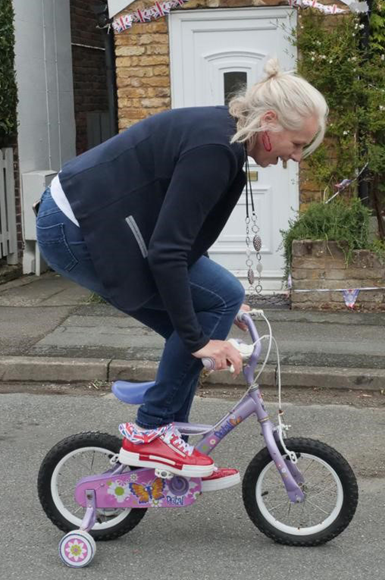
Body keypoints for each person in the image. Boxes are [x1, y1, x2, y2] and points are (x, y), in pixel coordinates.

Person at [36, 58, 328, 485]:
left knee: (215, 306)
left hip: (107, 221)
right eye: (298, 144)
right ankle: (153, 431)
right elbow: (167, 253)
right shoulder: (214, 149)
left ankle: (167, 442)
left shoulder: (224, 142)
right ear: (268, 121)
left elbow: (185, 239)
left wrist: (207, 320)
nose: (297, 157)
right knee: (200, 326)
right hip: (76, 226)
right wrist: (199, 340)